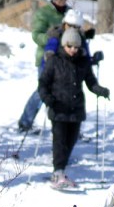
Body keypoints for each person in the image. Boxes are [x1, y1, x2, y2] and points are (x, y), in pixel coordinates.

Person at [38, 28, 109, 189]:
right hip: (58, 107)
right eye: (70, 46)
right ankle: (58, 171)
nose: (73, 50)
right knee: (59, 141)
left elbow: (91, 82)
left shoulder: (82, 62)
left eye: (76, 47)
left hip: (76, 108)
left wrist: (100, 90)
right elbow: (43, 83)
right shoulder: (54, 61)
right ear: (64, 45)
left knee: (71, 140)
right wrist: (47, 98)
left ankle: (61, 168)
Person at [18, 0, 77, 134]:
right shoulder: (43, 13)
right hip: (47, 58)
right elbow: (36, 35)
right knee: (43, 91)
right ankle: (25, 122)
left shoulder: (69, 13)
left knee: (67, 91)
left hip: (66, 59)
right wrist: (52, 38)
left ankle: (68, 124)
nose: (63, 0)